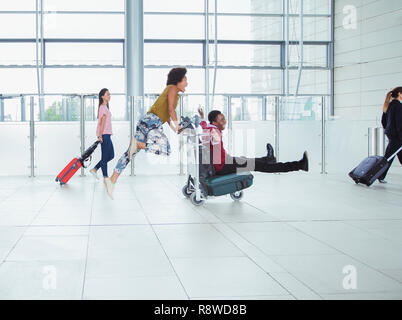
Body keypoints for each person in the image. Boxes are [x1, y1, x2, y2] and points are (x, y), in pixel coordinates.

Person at [104, 68, 188, 199]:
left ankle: (112, 180)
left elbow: (166, 116)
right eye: (185, 80)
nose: (186, 83)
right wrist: (178, 125)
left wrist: (175, 129)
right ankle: (138, 144)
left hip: (147, 121)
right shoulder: (172, 89)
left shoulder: (170, 91)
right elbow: (171, 110)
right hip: (152, 122)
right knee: (165, 149)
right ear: (178, 80)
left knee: (130, 153)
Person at [198, 109, 309, 176]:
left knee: (250, 160)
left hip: (225, 161)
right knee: (261, 166)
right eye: (221, 120)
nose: (225, 121)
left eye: (224, 118)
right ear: (214, 122)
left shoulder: (207, 128)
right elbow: (214, 139)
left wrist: (202, 117)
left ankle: (268, 158)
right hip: (223, 166)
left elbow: (204, 125)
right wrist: (215, 138)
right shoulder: (214, 131)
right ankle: (299, 165)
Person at [90, 88, 115, 186]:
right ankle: (105, 177)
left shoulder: (105, 107)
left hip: (107, 134)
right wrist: (100, 136)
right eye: (107, 94)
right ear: (102, 96)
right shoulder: (103, 108)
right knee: (105, 156)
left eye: (109, 94)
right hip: (104, 134)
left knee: (111, 155)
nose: (109, 96)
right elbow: (102, 123)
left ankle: (95, 169)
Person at [378, 87, 402, 183]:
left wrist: (388, 130)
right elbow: (399, 123)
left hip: (391, 134)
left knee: (393, 155)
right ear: (400, 94)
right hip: (397, 136)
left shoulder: (389, 105)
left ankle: (380, 176)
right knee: (388, 157)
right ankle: (379, 175)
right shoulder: (398, 106)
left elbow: (383, 121)